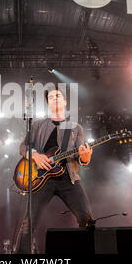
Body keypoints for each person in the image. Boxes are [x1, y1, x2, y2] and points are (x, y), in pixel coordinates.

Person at [14, 86, 94, 254]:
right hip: (42, 178)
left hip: (68, 178)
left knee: (87, 219)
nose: (54, 99)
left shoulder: (75, 127)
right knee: (29, 223)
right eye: (50, 97)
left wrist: (85, 158)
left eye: (58, 96)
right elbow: (23, 146)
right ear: (48, 104)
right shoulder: (37, 126)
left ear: (64, 101)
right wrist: (35, 155)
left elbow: (80, 155)